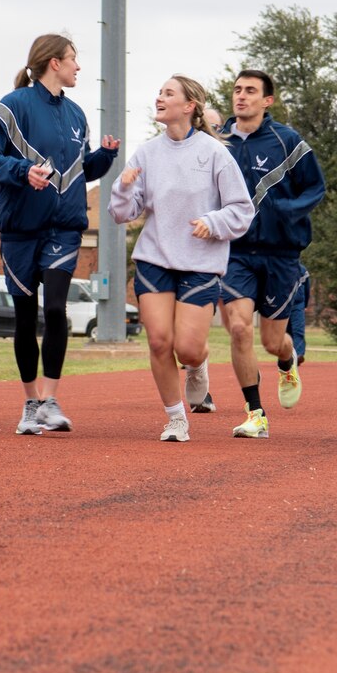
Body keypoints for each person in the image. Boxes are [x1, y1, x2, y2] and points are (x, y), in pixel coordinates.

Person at [0, 34, 120, 435]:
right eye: (74, 60)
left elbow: (79, 171)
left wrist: (103, 157)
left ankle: (50, 402)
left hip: (64, 228)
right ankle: (30, 403)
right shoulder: (11, 106)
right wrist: (22, 172)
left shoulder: (76, 115)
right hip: (20, 230)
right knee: (25, 316)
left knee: (56, 309)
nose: (78, 67)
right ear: (54, 63)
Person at [108, 76, 254, 442]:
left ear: (189, 106)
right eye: (159, 92)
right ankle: (176, 418)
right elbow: (122, 214)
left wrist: (212, 221)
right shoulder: (146, 153)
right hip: (154, 258)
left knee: (187, 348)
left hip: (200, 263)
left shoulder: (215, 153)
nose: (159, 98)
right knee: (159, 341)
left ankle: (197, 364)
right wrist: (124, 187)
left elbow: (241, 209)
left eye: (168, 93)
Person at [211, 69, 326, 439]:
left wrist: (286, 212)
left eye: (250, 91)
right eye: (237, 90)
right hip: (236, 251)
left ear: (267, 101)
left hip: (281, 254)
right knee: (240, 328)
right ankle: (255, 413)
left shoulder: (287, 140)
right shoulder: (218, 141)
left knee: (273, 341)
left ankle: (287, 361)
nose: (241, 96)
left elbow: (315, 186)